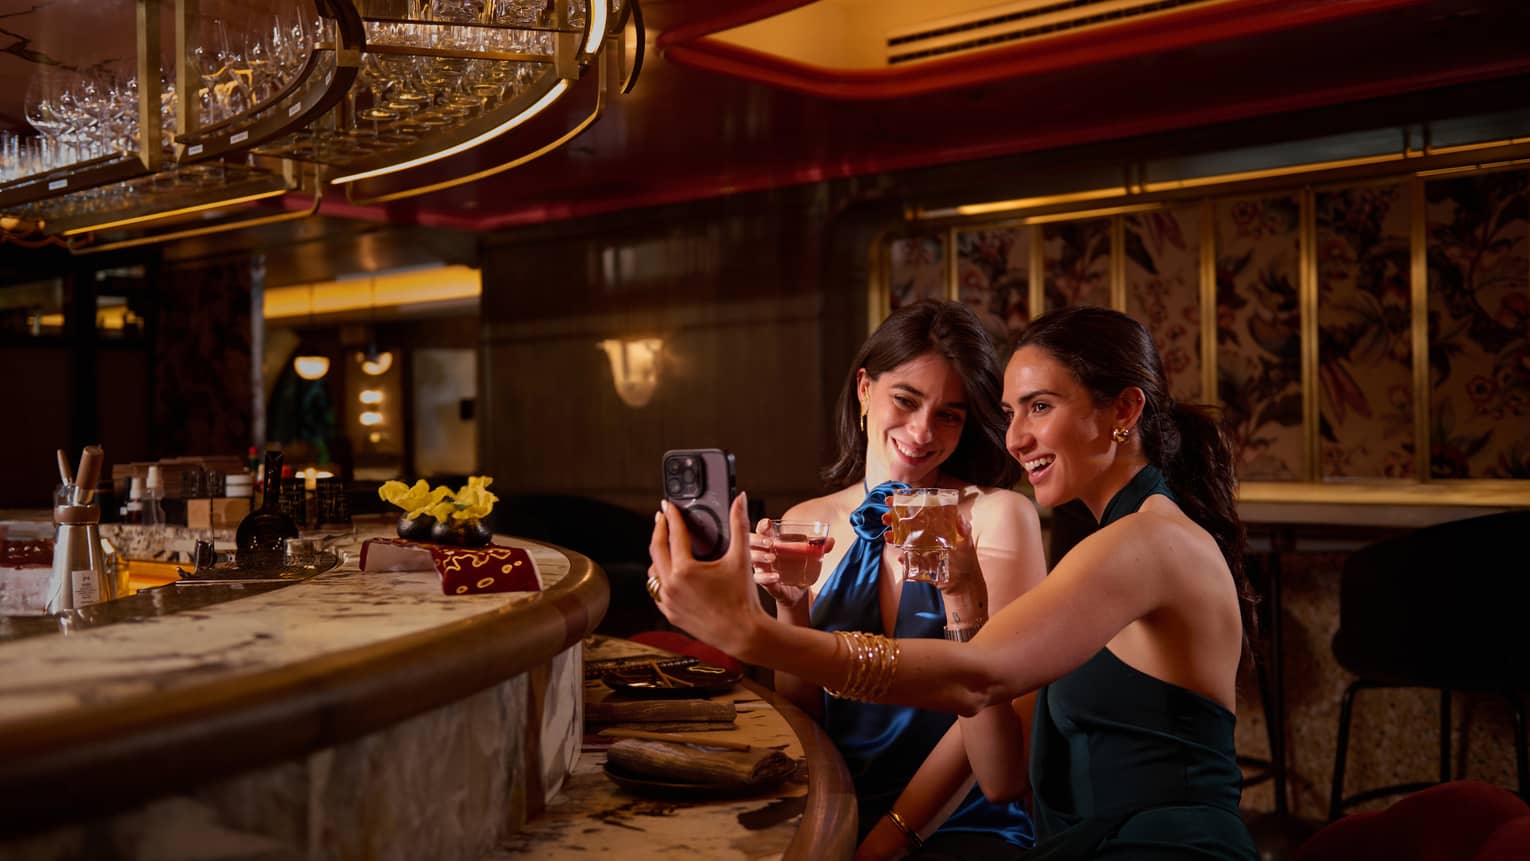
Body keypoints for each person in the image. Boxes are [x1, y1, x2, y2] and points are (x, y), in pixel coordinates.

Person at [648, 305, 1260, 860]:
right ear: (865, 391)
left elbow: (977, 680)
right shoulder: (1116, 540)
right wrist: (959, 598)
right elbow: (998, 746)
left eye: (1040, 407)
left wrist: (750, 636)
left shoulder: (1144, 541)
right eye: (1010, 413)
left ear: (1124, 411)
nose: (1016, 439)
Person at [750, 299, 1046, 859]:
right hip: (837, 805)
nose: (922, 431)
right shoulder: (808, 521)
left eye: (949, 415)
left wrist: (892, 835)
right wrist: (791, 614)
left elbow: (1000, 704)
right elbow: (806, 719)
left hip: (962, 819)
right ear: (864, 389)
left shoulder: (997, 514)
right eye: (906, 401)